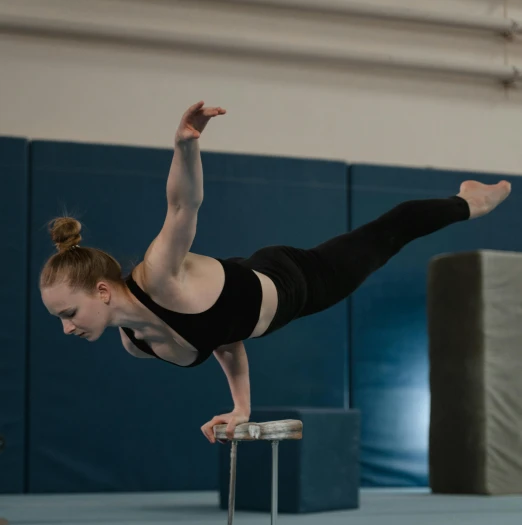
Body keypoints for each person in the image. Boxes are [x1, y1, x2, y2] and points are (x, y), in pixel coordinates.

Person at [40, 101, 512, 445]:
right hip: (252, 278)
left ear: (101, 290)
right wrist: (241, 407)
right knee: (383, 235)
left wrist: (185, 146)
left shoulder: (158, 275)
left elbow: (183, 204)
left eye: (68, 312)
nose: (66, 327)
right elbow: (224, 338)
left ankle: (470, 201)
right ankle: (465, 200)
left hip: (297, 283)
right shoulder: (137, 344)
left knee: (388, 233)